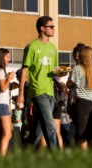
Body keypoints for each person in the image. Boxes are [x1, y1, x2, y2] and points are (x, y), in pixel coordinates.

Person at [16, 16, 60, 150]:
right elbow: (24, 71)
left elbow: (53, 70)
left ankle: (26, 157)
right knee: (50, 126)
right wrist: (21, 93)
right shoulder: (31, 47)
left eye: (53, 26)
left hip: (50, 90)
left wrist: (60, 73)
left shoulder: (53, 48)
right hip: (37, 90)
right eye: (51, 27)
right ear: (42, 28)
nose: (54, 29)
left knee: (38, 129)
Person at [66, 45, 92, 149]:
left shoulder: (78, 69)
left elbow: (69, 85)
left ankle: (84, 159)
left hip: (82, 103)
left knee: (81, 133)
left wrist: (70, 83)